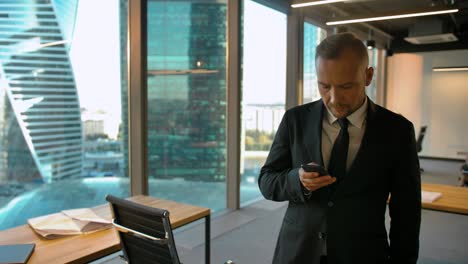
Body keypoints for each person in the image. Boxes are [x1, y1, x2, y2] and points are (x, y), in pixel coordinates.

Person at [258, 32, 421, 264]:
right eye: (324, 86)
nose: (334, 99)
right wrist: (298, 181)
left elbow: (407, 211)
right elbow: (267, 181)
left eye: (345, 86)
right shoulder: (295, 120)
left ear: (368, 76)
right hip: (297, 252)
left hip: (362, 254)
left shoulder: (398, 130)